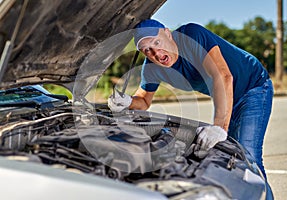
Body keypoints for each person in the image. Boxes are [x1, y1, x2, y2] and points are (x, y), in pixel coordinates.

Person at [108, 19, 273, 198]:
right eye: (147, 49)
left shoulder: (192, 36)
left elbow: (223, 76)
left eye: (156, 42)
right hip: (228, 97)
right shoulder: (151, 69)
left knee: (249, 157)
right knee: (232, 159)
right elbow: (143, 100)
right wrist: (126, 102)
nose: (155, 52)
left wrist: (218, 127)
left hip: (253, 87)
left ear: (168, 33)